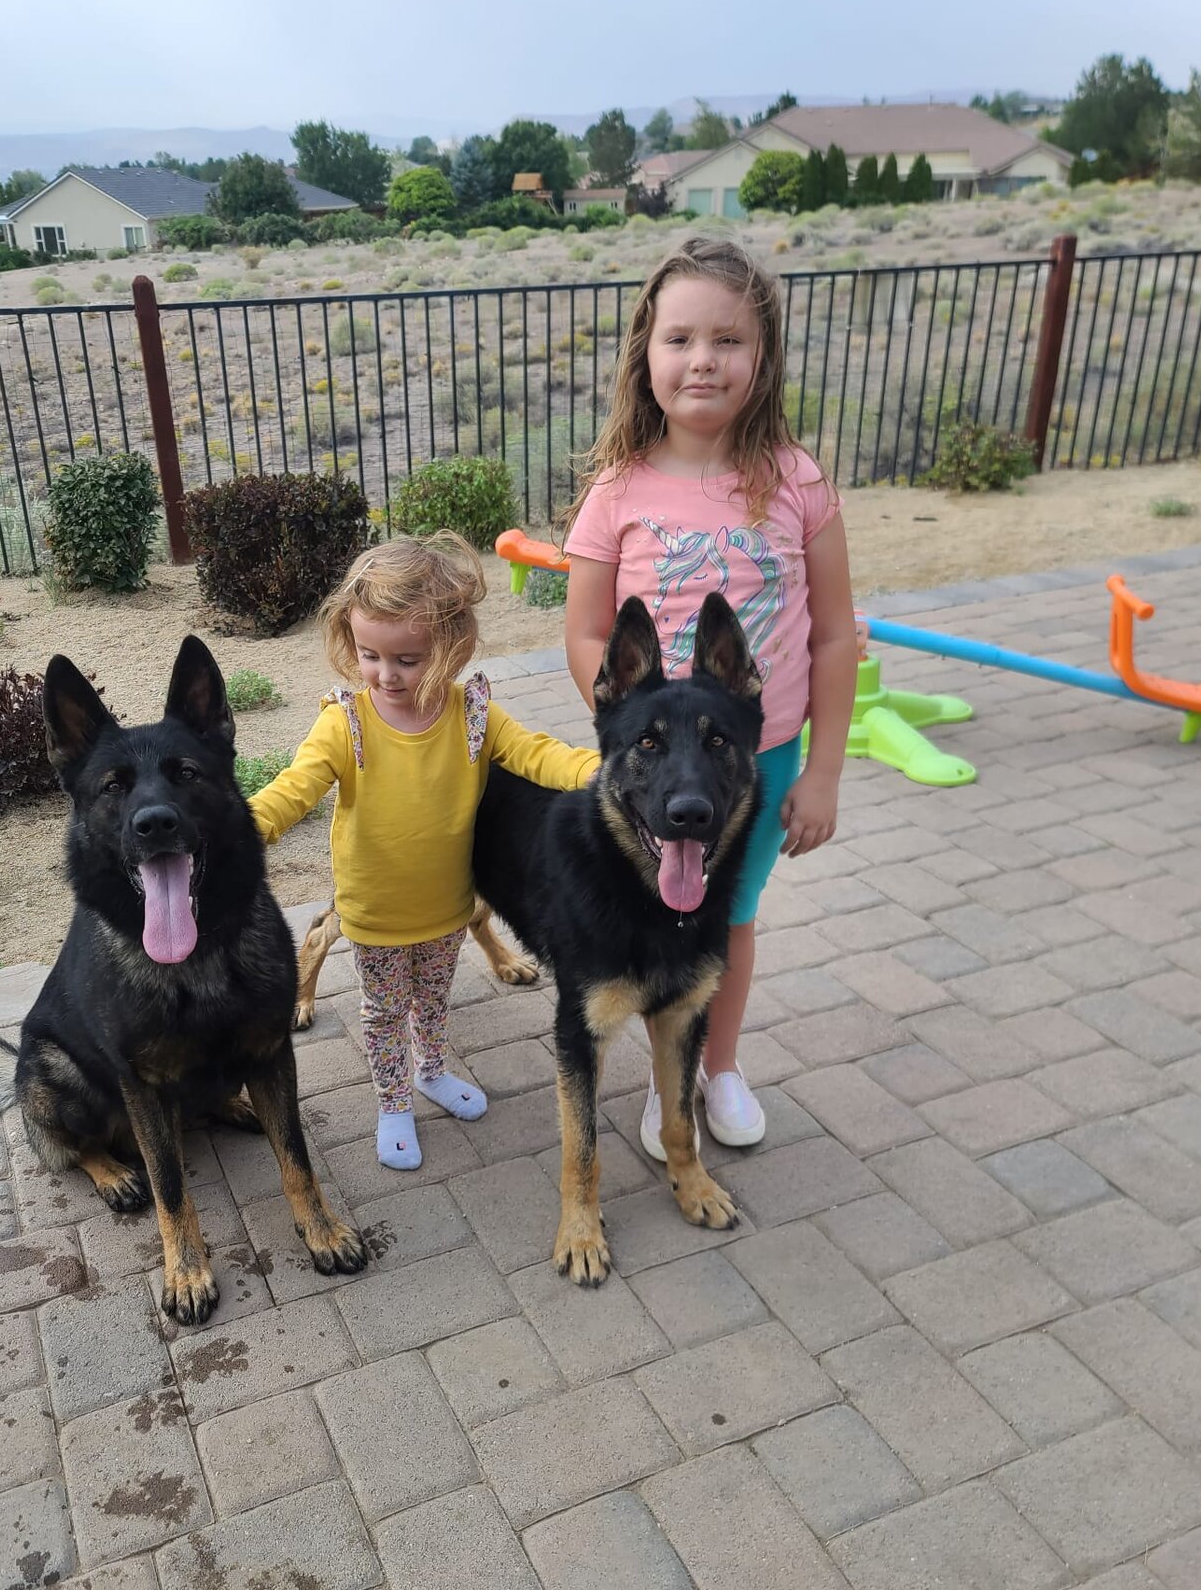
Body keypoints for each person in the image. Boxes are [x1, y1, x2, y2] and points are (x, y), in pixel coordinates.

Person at [563, 235, 856, 1158]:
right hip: (654, 767)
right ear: (645, 352)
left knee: (726, 912)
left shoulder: (797, 480)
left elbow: (834, 634)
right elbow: (585, 633)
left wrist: (822, 773)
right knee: (653, 911)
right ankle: (668, 1081)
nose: (703, 360)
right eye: (681, 338)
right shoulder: (616, 491)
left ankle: (715, 1065)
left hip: (753, 764)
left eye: (728, 340)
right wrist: (630, 734)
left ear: (761, 356)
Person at [247, 533, 599, 1171]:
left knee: (434, 1001)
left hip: (446, 909)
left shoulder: (473, 715)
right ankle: (393, 1102)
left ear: (450, 646)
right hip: (375, 914)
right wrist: (244, 824)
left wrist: (602, 771)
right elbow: (294, 788)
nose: (386, 675)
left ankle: (432, 1071)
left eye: (407, 660)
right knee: (384, 1014)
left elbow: (536, 754)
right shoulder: (346, 722)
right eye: (369, 655)